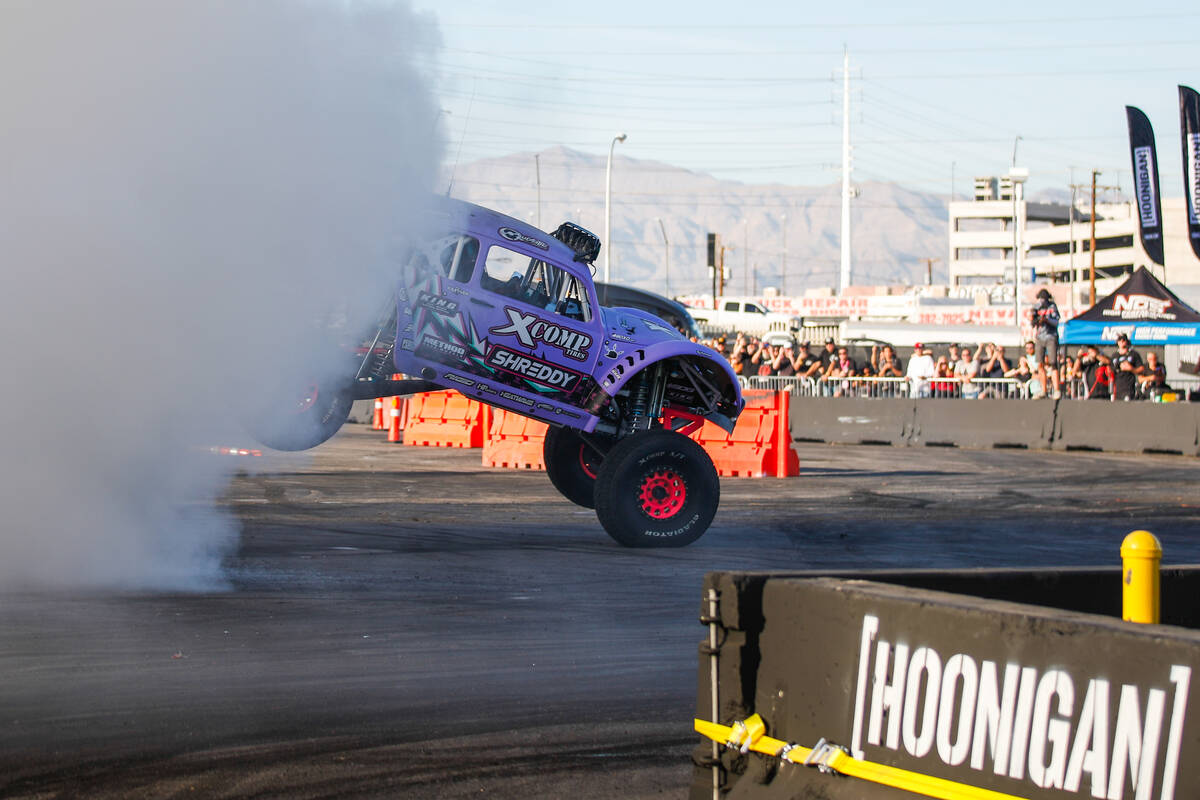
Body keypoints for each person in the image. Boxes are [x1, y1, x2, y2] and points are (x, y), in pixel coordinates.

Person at [1029, 288, 1062, 398]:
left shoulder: (1052, 307)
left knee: (1053, 363)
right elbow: (1032, 323)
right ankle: (1043, 390)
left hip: (1051, 336)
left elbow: (1056, 322)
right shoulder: (1036, 307)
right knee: (1040, 364)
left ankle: (1056, 389)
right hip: (1039, 337)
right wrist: (1035, 319)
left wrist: (1047, 320)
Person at [1099, 333, 1144, 401]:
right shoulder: (1114, 355)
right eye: (1120, 340)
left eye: (1124, 339)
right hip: (1116, 388)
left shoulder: (1133, 354)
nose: (1122, 341)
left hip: (1129, 388)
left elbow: (1141, 369)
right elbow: (1110, 371)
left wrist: (1131, 369)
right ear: (1117, 342)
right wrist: (1109, 371)